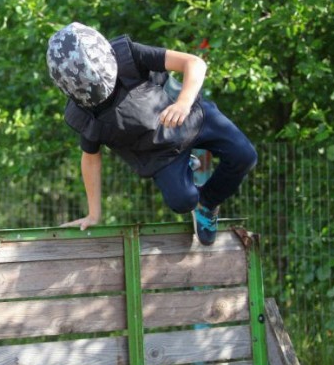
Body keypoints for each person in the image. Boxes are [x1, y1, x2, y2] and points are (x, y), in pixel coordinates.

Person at [46, 22, 257, 245]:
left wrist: (184, 102)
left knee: (245, 156)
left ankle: (209, 202)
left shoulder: (129, 55)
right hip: (159, 153)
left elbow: (194, 63)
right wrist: (93, 214)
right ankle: (194, 189)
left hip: (192, 117)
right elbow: (90, 158)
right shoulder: (83, 113)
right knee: (183, 201)